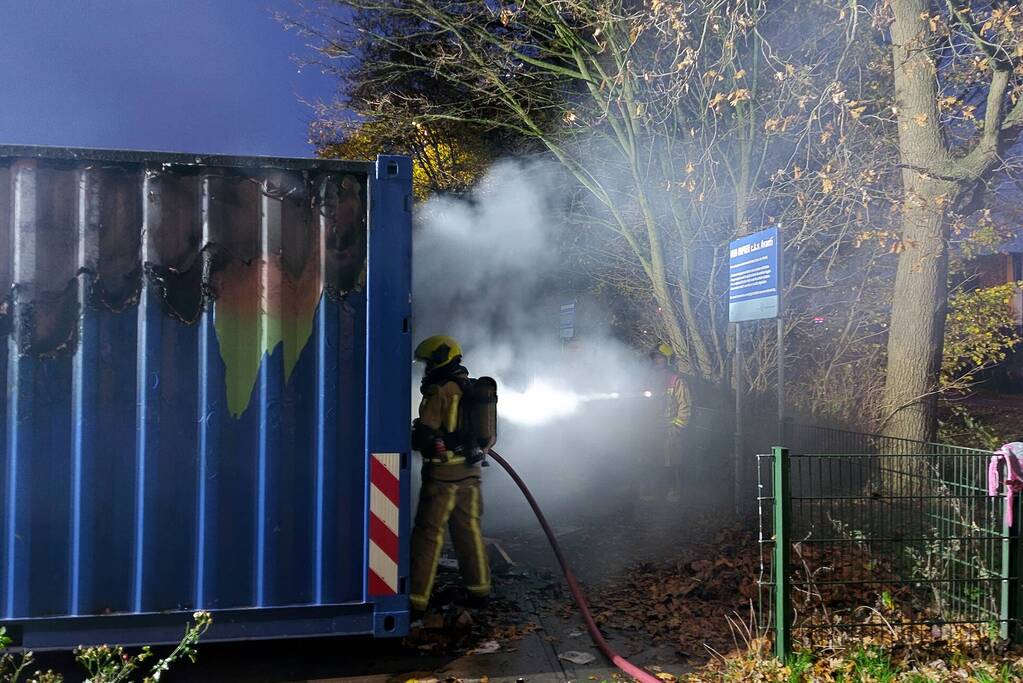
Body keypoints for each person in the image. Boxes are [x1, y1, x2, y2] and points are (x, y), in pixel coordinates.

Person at [408, 335, 491, 614]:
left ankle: (416, 599)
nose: (426, 369)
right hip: (470, 475)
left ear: (440, 359)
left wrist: (416, 434)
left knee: (428, 535)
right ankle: (479, 591)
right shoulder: (472, 389)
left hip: (442, 477)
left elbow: (426, 432)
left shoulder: (439, 391)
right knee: (469, 533)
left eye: (429, 363)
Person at [641, 343, 691, 502]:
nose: (657, 361)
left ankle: (673, 491)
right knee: (650, 459)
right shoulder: (648, 379)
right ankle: (652, 491)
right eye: (655, 358)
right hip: (650, 427)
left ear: (668, 360)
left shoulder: (676, 380)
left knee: (671, 461)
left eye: (660, 358)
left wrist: (677, 427)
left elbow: (685, 405)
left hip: (670, 427)